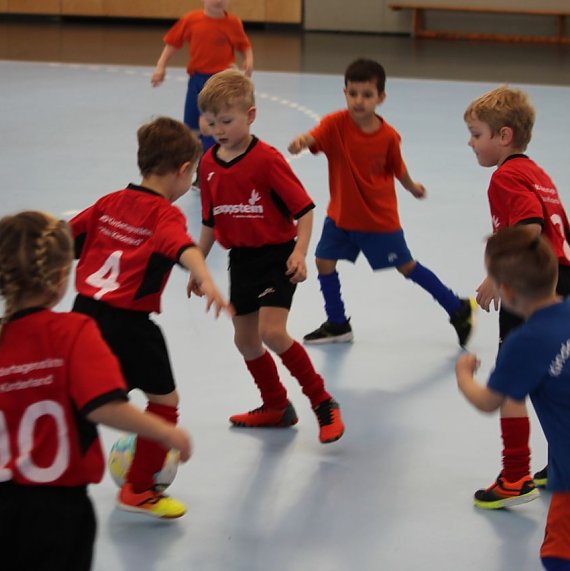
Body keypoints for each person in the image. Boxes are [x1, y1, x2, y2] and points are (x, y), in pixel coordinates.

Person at [0, 211, 193, 571]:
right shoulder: (73, 332)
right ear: (60, 278)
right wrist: (164, 432)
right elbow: (104, 406)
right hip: (59, 512)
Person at [70, 116, 228, 519]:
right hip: (129, 326)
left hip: (82, 316)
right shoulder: (165, 215)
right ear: (183, 171)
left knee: (83, 401)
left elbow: (63, 239)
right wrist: (205, 275)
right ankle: (139, 489)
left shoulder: (109, 202)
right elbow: (183, 248)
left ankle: (51, 473)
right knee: (164, 401)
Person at [191, 69, 345, 443]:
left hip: (277, 256)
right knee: (245, 341)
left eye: (226, 121)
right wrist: (198, 264)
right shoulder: (208, 164)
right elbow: (210, 221)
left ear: (251, 116)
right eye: (211, 122)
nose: (218, 129)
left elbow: (305, 210)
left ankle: (322, 401)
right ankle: (276, 405)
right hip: (241, 261)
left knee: (272, 332)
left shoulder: (267, 160)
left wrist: (300, 252)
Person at [287, 58, 474, 347]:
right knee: (324, 261)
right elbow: (314, 136)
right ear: (345, 93)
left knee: (407, 267)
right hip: (340, 217)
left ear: (381, 97)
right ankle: (337, 323)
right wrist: (302, 140)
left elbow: (398, 168)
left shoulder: (388, 137)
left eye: (367, 94)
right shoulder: (334, 124)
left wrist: (412, 187)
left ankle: (456, 307)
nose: (358, 101)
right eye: (353, 93)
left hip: (378, 221)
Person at [463, 85, 570, 508]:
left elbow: (528, 226)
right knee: (552, 376)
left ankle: (515, 475)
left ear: (504, 136)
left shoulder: (505, 176)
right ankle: (559, 461)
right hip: (560, 278)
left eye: (477, 134)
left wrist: (496, 276)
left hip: (531, 284)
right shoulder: (538, 174)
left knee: (513, 381)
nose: (471, 143)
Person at [456, 228, 570, 570]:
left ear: (505, 291)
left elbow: (488, 401)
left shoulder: (524, 342)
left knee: (558, 556)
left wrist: (464, 375)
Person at [151, 0, 253, 153]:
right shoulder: (191, 20)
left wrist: (248, 60)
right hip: (197, 80)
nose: (219, 1)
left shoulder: (233, 23)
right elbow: (173, 42)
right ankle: (194, 157)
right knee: (191, 125)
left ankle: (213, 156)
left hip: (220, 83)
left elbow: (244, 45)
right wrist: (161, 65)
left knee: (214, 121)